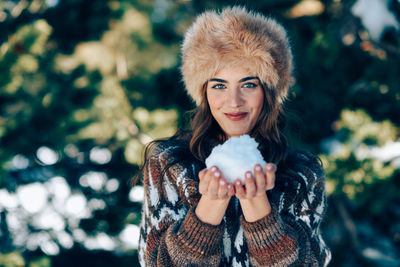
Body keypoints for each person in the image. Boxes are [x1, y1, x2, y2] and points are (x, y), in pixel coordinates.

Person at [136, 6, 331, 267]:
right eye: (219, 86)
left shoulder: (302, 174)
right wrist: (209, 209)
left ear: (269, 91)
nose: (234, 101)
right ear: (203, 93)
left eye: (248, 84)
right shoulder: (169, 164)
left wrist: (259, 209)